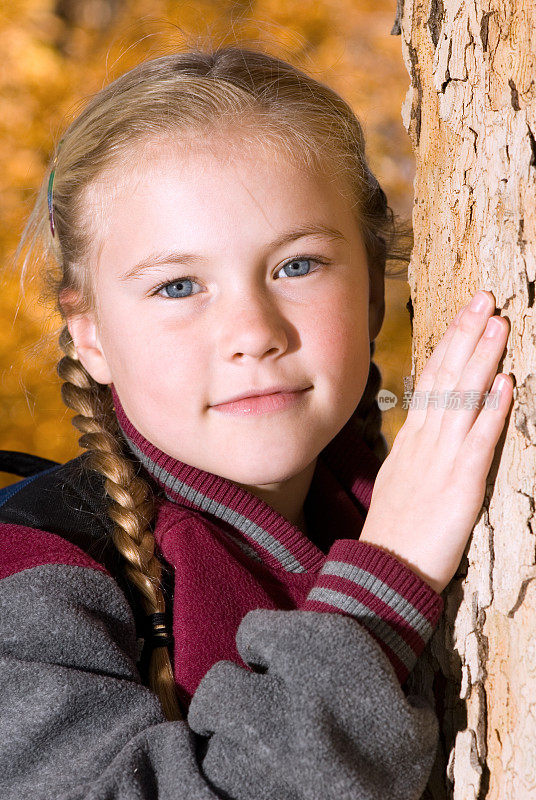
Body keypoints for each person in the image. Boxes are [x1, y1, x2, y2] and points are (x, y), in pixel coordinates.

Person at [0, 44, 513, 800]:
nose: (252, 330)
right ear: (91, 336)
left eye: (297, 265)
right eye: (178, 285)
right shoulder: (32, 574)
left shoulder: (445, 499)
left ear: (374, 290)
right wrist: (382, 594)